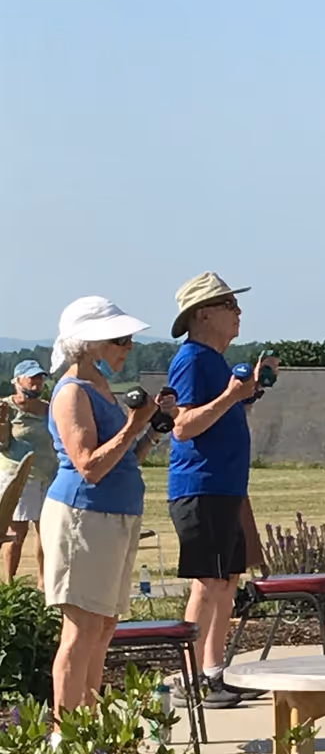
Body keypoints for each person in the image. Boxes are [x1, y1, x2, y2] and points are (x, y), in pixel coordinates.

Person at [41, 298, 174, 714]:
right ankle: (66, 736)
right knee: (80, 629)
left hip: (114, 516)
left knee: (103, 625)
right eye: (120, 339)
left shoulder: (99, 386)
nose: (128, 346)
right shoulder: (70, 393)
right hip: (83, 516)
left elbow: (121, 462)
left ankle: (92, 723)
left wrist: (149, 432)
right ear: (89, 342)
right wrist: (134, 424)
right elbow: (88, 466)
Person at [166, 272, 276, 709]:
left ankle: (214, 673)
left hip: (226, 486)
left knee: (227, 581)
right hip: (202, 486)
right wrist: (233, 394)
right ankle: (188, 678)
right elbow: (183, 425)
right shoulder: (192, 359)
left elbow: (222, 412)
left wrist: (249, 392)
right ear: (203, 313)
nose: (238, 313)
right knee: (208, 583)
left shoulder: (212, 359)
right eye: (230, 305)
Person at [3, 360, 57, 585]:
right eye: (32, 378)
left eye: (40, 378)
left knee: (46, 531)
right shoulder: (6, 407)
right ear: (17, 381)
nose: (37, 383)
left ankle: (43, 584)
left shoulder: (49, 408)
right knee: (16, 532)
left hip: (49, 474)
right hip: (20, 475)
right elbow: (2, 444)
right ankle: (9, 584)